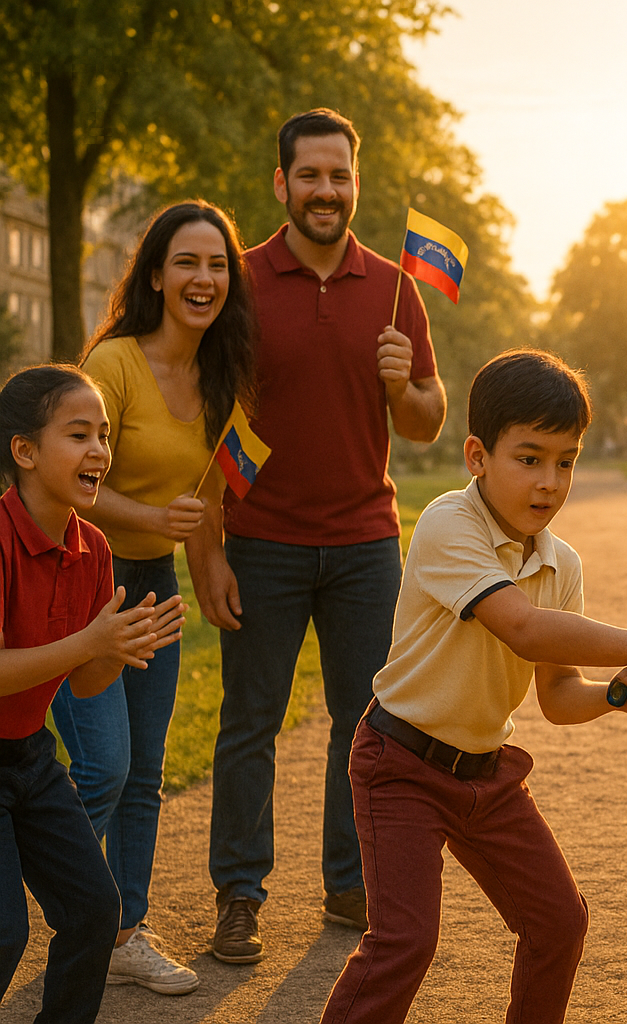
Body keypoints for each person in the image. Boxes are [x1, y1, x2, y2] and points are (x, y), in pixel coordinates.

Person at [318, 349, 627, 1024]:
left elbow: (557, 696)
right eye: (529, 457)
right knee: (404, 942)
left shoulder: (560, 562)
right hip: (399, 764)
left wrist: (614, 693)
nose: (550, 482)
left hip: (486, 778)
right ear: (477, 456)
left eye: (566, 460)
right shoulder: (447, 524)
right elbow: (521, 628)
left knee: (558, 923)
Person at [185, 107, 446, 962]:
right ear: (282, 184)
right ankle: (240, 895)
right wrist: (210, 546)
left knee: (364, 720)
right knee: (249, 722)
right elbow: (208, 422)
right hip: (261, 541)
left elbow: (427, 425)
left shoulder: (395, 287)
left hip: (366, 541)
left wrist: (405, 384)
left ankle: (348, 882)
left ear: (355, 183)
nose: (325, 191)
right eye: (310, 176)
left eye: (339, 176)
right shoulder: (242, 281)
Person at [46, 201, 259, 996]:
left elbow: (206, 500)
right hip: (88, 582)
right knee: (103, 767)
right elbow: (65, 483)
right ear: (157, 275)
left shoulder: (220, 379)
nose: (203, 279)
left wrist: (213, 564)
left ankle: (121, 931)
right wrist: (151, 518)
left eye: (217, 266)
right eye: (187, 263)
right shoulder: (113, 365)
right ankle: (61, 896)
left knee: (144, 774)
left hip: (155, 585)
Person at [0, 365, 184, 1023]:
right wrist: (89, 644)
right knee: (4, 932)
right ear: (24, 451)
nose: (100, 452)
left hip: (27, 756)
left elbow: (82, 682)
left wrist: (118, 651)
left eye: (104, 436)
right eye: (79, 435)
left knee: (94, 910)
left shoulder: (94, 548)